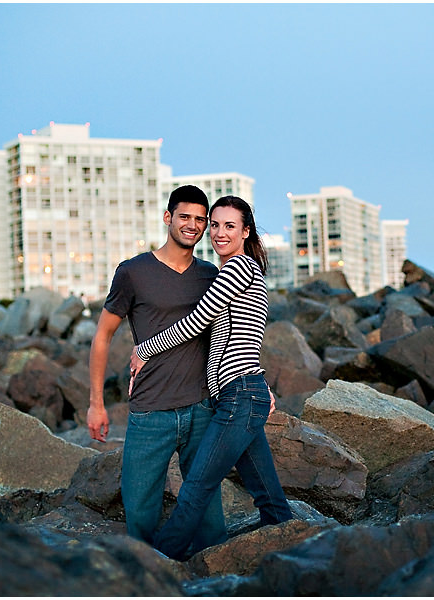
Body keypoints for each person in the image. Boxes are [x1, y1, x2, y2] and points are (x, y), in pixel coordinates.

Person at [130, 195, 293, 560]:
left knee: (196, 488)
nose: (219, 233)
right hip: (243, 396)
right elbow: (241, 339)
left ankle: (154, 566)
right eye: (215, 225)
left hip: (239, 399)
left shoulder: (237, 269)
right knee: (268, 496)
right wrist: (258, 383)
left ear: (245, 231)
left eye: (229, 226)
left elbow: (196, 322)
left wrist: (144, 349)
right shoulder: (245, 271)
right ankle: (295, 561)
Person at [88, 185, 227, 553]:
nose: (193, 225)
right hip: (150, 413)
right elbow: (102, 336)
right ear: (168, 218)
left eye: (201, 220)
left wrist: (255, 384)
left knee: (210, 521)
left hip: (201, 409)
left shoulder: (212, 274)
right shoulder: (133, 272)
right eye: (185, 217)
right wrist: (96, 404)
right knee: (140, 517)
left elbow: (231, 336)